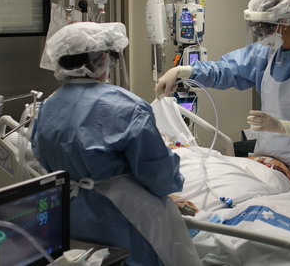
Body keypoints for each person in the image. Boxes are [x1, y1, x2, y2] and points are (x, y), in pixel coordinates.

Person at [31, 22, 198, 266]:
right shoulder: (126, 107)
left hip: (68, 214)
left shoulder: (46, 108)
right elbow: (158, 175)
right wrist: (171, 190)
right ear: (101, 60)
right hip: (121, 219)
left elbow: (40, 155)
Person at [155, 0, 290, 179]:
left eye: (264, 28)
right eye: (255, 29)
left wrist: (283, 127)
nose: (259, 35)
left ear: (284, 22)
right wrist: (183, 71)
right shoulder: (263, 54)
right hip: (272, 165)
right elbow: (226, 70)